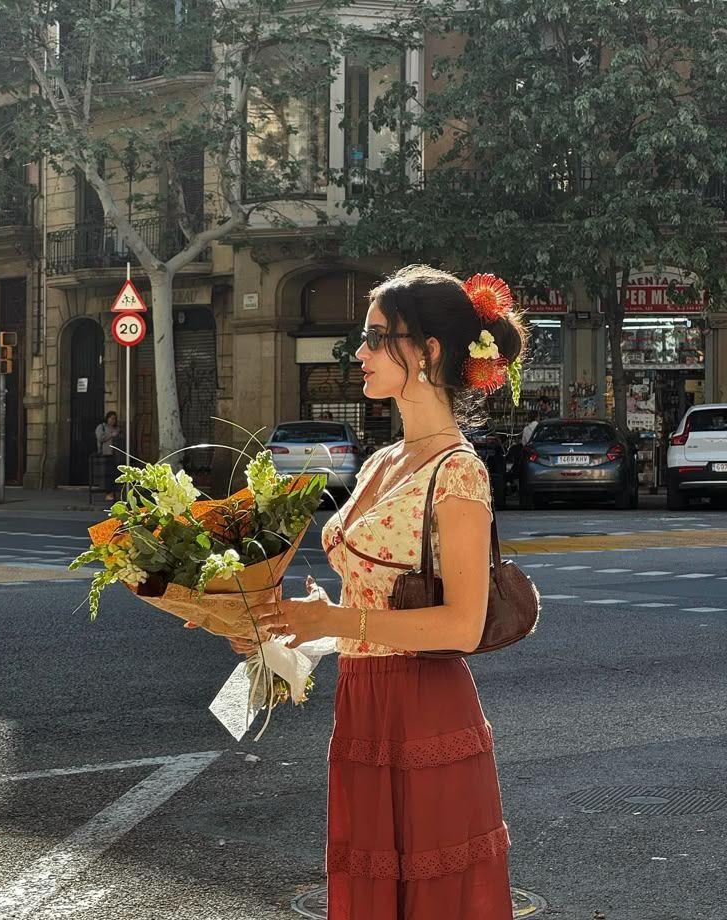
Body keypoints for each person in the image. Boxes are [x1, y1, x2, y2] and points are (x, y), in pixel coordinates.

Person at [230, 265, 526, 919]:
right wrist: (273, 628)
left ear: (427, 352)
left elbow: (462, 626)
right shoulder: (382, 461)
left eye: (374, 337)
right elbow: (354, 611)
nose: (357, 353)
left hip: (426, 712)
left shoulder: (459, 474)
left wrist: (333, 619)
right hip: (363, 709)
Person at [95, 411, 120, 500]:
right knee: (107, 475)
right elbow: (100, 437)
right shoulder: (101, 427)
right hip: (105, 453)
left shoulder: (116, 428)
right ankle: (108, 493)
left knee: (114, 474)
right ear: (107, 418)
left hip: (115, 454)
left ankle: (113, 493)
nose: (113, 421)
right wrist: (111, 435)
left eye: (115, 419)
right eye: (111, 418)